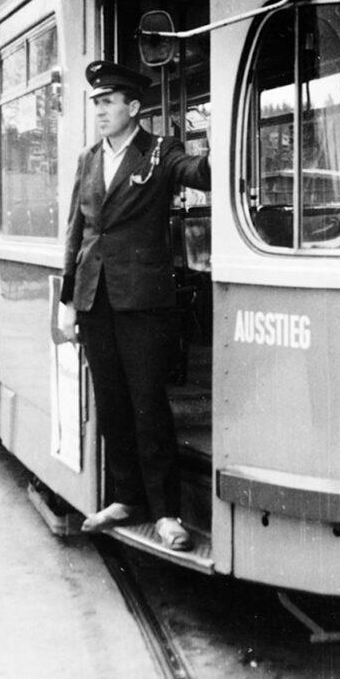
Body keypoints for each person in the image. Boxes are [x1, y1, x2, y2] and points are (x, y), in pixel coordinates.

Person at [58, 60, 211, 551]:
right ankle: (127, 498)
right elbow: (77, 231)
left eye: (108, 103)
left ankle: (166, 512)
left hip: (143, 302)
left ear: (134, 108)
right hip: (94, 298)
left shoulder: (160, 151)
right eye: (97, 104)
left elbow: (199, 173)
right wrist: (67, 300)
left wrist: (221, 139)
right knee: (112, 404)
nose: (100, 111)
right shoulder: (88, 158)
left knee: (148, 404)